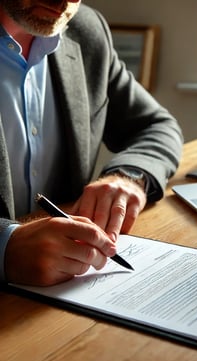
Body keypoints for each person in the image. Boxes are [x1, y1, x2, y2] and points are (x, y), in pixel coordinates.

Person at [0, 1, 183, 286]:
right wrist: (5, 247)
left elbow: (156, 125)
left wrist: (128, 177)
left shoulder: (86, 30)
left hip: (61, 295)